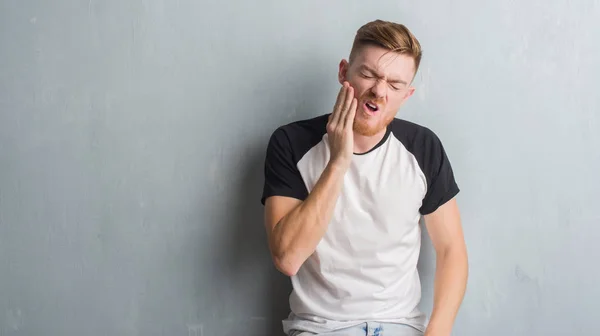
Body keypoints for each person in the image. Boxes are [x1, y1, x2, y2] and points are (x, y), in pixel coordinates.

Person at [260, 19, 468, 336]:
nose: (379, 91)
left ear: (407, 94)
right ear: (344, 72)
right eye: (368, 74)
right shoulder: (291, 143)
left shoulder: (422, 148)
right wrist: (339, 161)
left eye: (395, 84)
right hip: (321, 328)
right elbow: (287, 257)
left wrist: (438, 330)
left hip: (400, 325)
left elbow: (451, 248)